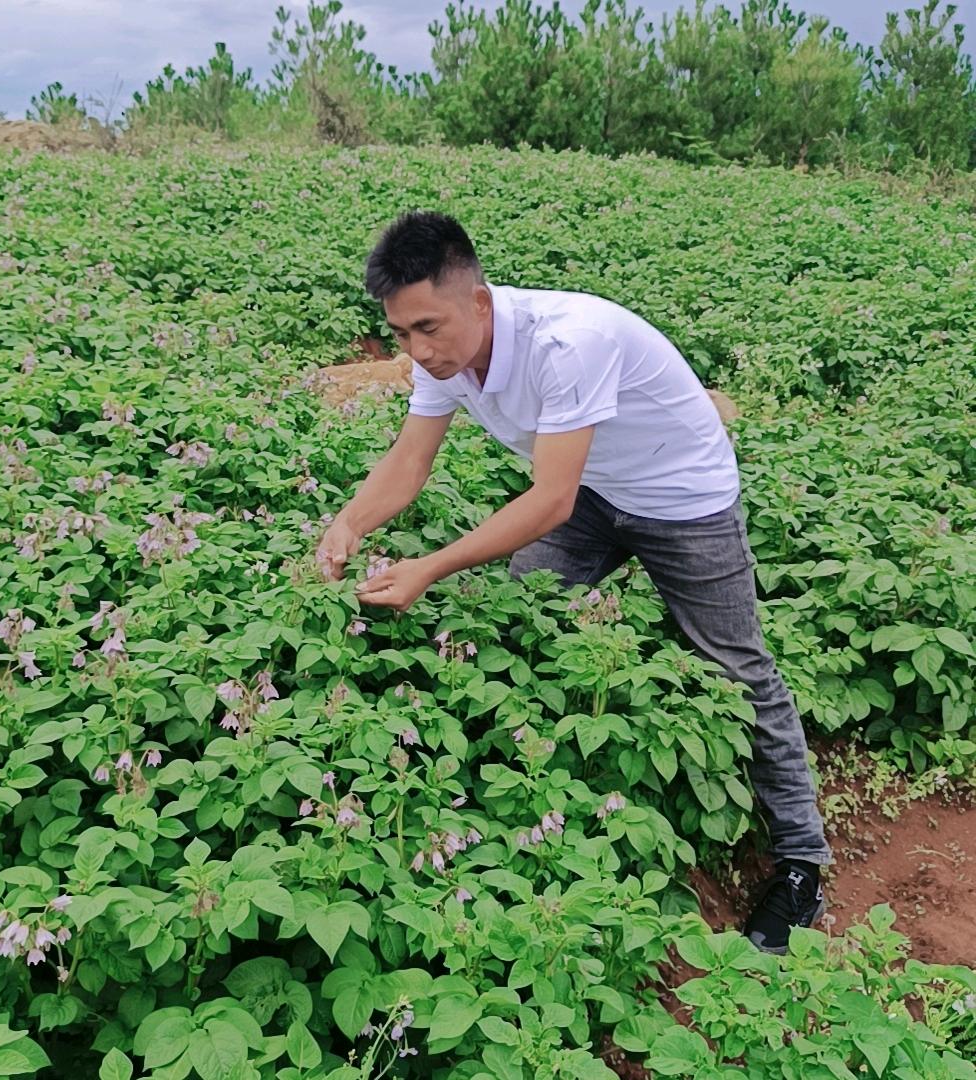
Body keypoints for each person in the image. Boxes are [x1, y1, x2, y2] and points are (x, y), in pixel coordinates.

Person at [317, 209, 831, 954]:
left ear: (480, 301)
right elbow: (409, 460)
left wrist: (429, 568)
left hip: (682, 496)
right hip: (595, 490)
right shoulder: (447, 363)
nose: (417, 350)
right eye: (400, 334)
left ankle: (801, 866)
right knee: (525, 606)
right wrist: (348, 524)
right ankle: (538, 790)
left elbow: (549, 498)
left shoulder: (568, 343)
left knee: (737, 665)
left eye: (429, 326)